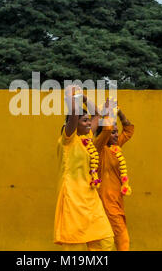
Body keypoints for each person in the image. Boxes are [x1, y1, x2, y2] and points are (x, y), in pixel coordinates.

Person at [54, 85, 115, 251]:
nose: (89, 123)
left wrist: (85, 98)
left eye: (88, 121)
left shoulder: (86, 139)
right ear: (73, 125)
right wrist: (71, 97)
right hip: (72, 197)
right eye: (84, 120)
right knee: (75, 245)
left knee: (106, 240)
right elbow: (73, 114)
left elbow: (96, 115)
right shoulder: (67, 141)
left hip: (90, 196)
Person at [94, 101, 134, 251]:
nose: (116, 134)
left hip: (117, 201)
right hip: (106, 202)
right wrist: (108, 113)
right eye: (113, 132)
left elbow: (128, 130)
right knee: (122, 240)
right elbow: (106, 130)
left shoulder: (115, 148)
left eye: (117, 132)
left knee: (113, 242)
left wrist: (119, 112)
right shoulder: (99, 148)